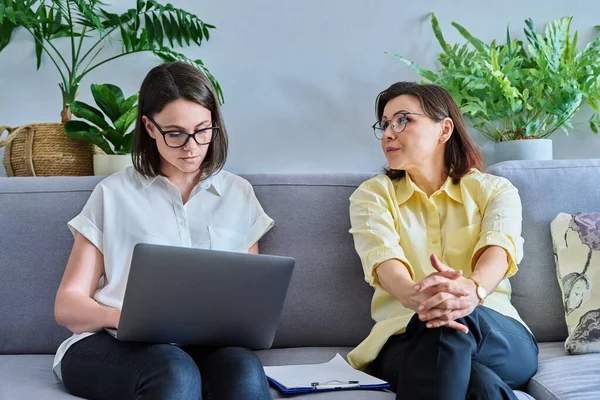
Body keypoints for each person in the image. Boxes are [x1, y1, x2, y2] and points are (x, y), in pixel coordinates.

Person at [53, 61, 274, 400]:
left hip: (204, 347)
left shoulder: (238, 194)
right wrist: (124, 317)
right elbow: (68, 306)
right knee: (174, 369)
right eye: (175, 133)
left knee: (243, 368)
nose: (192, 146)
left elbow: (246, 306)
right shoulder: (113, 194)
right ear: (149, 127)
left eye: (203, 130)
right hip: (113, 343)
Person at [347, 82, 538, 399]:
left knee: (452, 320)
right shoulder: (373, 195)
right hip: (404, 336)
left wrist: (470, 291)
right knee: (477, 381)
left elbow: (500, 251)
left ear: (444, 129)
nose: (389, 133)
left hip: (497, 334)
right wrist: (418, 297)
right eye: (384, 125)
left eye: (403, 120)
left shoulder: (494, 190)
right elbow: (382, 261)